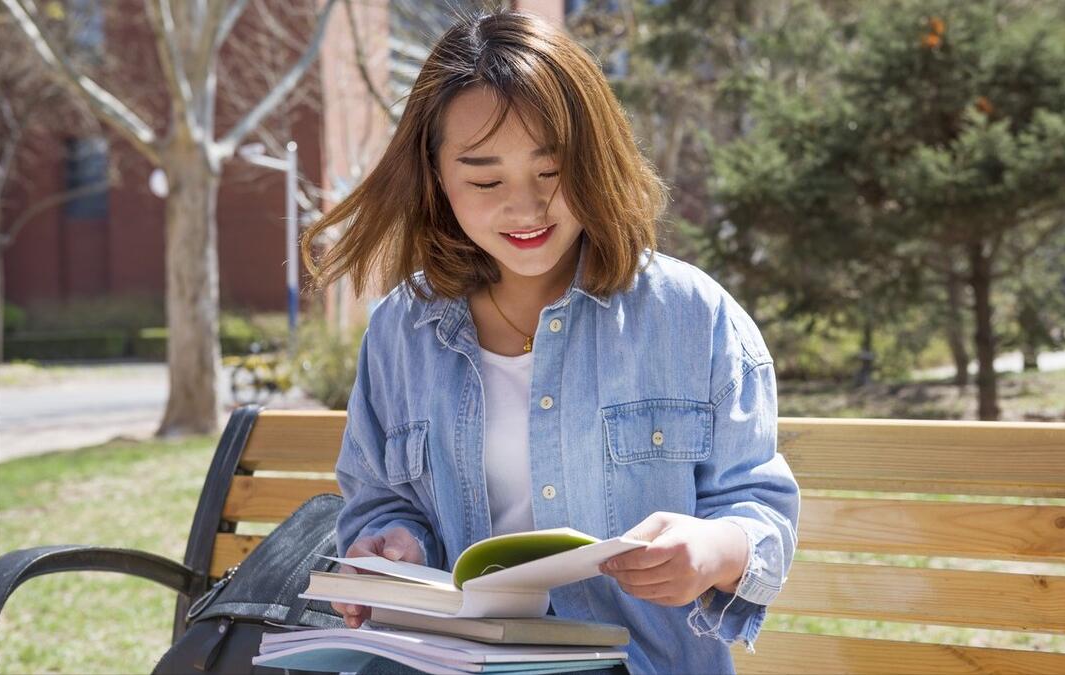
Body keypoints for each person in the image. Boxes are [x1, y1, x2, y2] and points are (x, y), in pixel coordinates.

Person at [301, 9, 800, 675]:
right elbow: (384, 501)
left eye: (550, 170)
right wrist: (392, 546)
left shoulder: (691, 316)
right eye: (484, 179)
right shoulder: (402, 331)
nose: (527, 207)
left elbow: (759, 504)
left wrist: (715, 548)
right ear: (436, 178)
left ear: (593, 158)